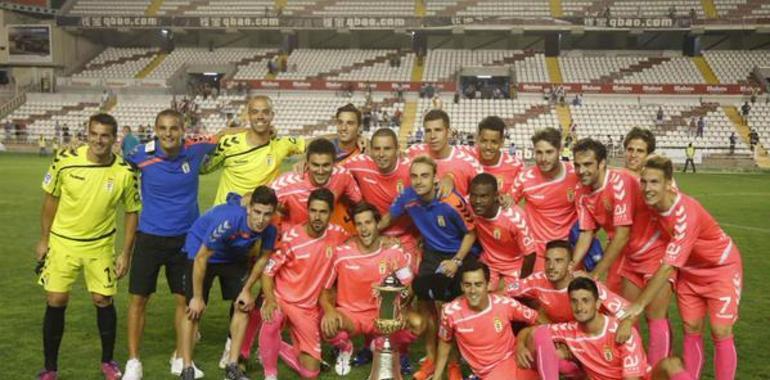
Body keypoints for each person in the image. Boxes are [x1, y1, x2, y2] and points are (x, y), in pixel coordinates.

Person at [122, 109, 226, 379]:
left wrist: (265, 131)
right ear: (156, 130)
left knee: (186, 300)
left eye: (174, 128)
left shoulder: (196, 148)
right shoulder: (140, 154)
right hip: (149, 237)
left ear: (182, 130)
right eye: (163, 128)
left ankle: (180, 357)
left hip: (185, 239)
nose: (169, 133)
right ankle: (133, 362)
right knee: (138, 299)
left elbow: (225, 135)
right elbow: (115, 162)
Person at [36, 113, 141, 380]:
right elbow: (50, 200)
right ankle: (50, 368)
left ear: (114, 138)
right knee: (56, 300)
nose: (98, 140)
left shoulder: (125, 172)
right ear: (87, 134)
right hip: (62, 243)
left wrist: (126, 253)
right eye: (93, 134)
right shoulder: (65, 161)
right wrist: (44, 239)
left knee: (103, 300)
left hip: (100, 245)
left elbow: (132, 213)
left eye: (104, 135)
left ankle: (107, 361)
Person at [623, 156, 743, 380]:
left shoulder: (685, 213)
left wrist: (639, 305)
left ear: (669, 183)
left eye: (654, 182)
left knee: (720, 330)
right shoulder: (656, 203)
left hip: (721, 268)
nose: (647, 188)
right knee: (691, 327)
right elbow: (626, 175)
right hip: (690, 272)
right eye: (644, 182)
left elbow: (668, 266)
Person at [379, 156, 480, 380]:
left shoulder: (452, 201)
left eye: (424, 175)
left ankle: (453, 363)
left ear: (435, 178)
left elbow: (471, 233)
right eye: (414, 176)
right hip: (432, 254)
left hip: (459, 255)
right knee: (425, 304)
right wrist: (368, 235)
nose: (418, 181)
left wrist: (456, 261)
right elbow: (389, 217)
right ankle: (431, 360)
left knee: (448, 309)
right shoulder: (408, 198)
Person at [178, 187, 279, 380]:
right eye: (257, 212)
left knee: (244, 306)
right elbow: (201, 257)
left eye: (267, 214)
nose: (261, 219)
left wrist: (247, 290)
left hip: (232, 256)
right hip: (200, 251)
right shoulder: (228, 220)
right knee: (193, 310)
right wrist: (197, 297)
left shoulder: (270, 230)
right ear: (249, 208)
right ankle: (187, 368)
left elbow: (263, 258)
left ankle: (232, 367)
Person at [259, 188, 350, 380]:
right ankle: (270, 374)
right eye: (313, 211)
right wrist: (269, 299)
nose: (317, 217)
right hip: (283, 300)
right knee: (271, 317)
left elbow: (357, 246)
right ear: (307, 211)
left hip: (309, 308)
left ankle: (281, 347)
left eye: (323, 212)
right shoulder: (291, 239)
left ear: (330, 213)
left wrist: (385, 241)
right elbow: (268, 272)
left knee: (310, 374)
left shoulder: (338, 234)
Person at [320, 202, 420, 376]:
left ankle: (395, 351)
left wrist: (402, 309)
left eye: (368, 222)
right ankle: (345, 348)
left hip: (383, 315)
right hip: (351, 315)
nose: (364, 229)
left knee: (417, 323)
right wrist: (329, 310)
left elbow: (409, 285)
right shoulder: (342, 253)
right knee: (326, 324)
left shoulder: (394, 251)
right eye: (359, 224)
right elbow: (325, 290)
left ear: (377, 224)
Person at [518, 277, 651, 380]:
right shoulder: (570, 330)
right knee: (542, 335)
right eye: (574, 301)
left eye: (585, 300)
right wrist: (520, 345)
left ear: (598, 304)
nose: (580, 307)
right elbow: (534, 331)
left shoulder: (623, 332)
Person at [435, 261, 540, 380]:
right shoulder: (450, 312)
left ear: (488, 285)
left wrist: (521, 343)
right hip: (487, 372)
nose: (473, 290)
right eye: (468, 285)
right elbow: (445, 341)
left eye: (478, 284)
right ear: (462, 286)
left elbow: (537, 320)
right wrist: (437, 376)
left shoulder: (504, 303)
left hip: (513, 360)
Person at [202, 95, 305, 205]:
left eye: (265, 112)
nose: (260, 116)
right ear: (248, 116)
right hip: (226, 217)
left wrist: (306, 158)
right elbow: (202, 168)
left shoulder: (281, 144)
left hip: (259, 216)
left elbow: (314, 145)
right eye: (255, 112)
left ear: (272, 116)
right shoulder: (228, 143)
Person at [509, 128, 582, 270]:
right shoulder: (525, 178)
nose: (543, 159)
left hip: (570, 250)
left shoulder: (576, 175)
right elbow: (508, 206)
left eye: (549, 152)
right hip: (539, 253)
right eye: (539, 152)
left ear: (559, 150)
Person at [507, 240, 629, 323]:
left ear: (570, 266)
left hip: (590, 337)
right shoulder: (537, 280)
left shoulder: (585, 285)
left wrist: (616, 328)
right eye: (548, 260)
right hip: (563, 334)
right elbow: (506, 291)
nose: (551, 266)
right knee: (530, 334)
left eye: (558, 261)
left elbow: (626, 310)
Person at [271, 138, 361, 232]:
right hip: (293, 240)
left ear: (334, 163)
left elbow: (359, 202)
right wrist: (276, 210)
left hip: (326, 238)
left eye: (326, 165)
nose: (320, 171)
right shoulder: (287, 183)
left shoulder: (342, 175)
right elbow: (259, 203)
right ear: (307, 163)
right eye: (315, 165)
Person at [469, 173, 536, 291]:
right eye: (473, 195)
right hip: (488, 263)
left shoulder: (515, 218)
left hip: (514, 266)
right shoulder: (470, 206)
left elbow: (530, 255)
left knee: (510, 299)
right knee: (479, 296)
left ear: (496, 196)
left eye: (483, 196)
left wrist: (522, 283)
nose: (477, 201)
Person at [406, 109, 483, 196]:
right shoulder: (412, 153)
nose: (432, 136)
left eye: (438, 130)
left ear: (449, 133)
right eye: (428, 131)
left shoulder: (468, 162)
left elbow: (482, 193)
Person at [460, 116, 524, 196]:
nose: (488, 147)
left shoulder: (516, 167)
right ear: (477, 139)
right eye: (484, 141)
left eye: (494, 142)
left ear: (502, 142)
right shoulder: (463, 155)